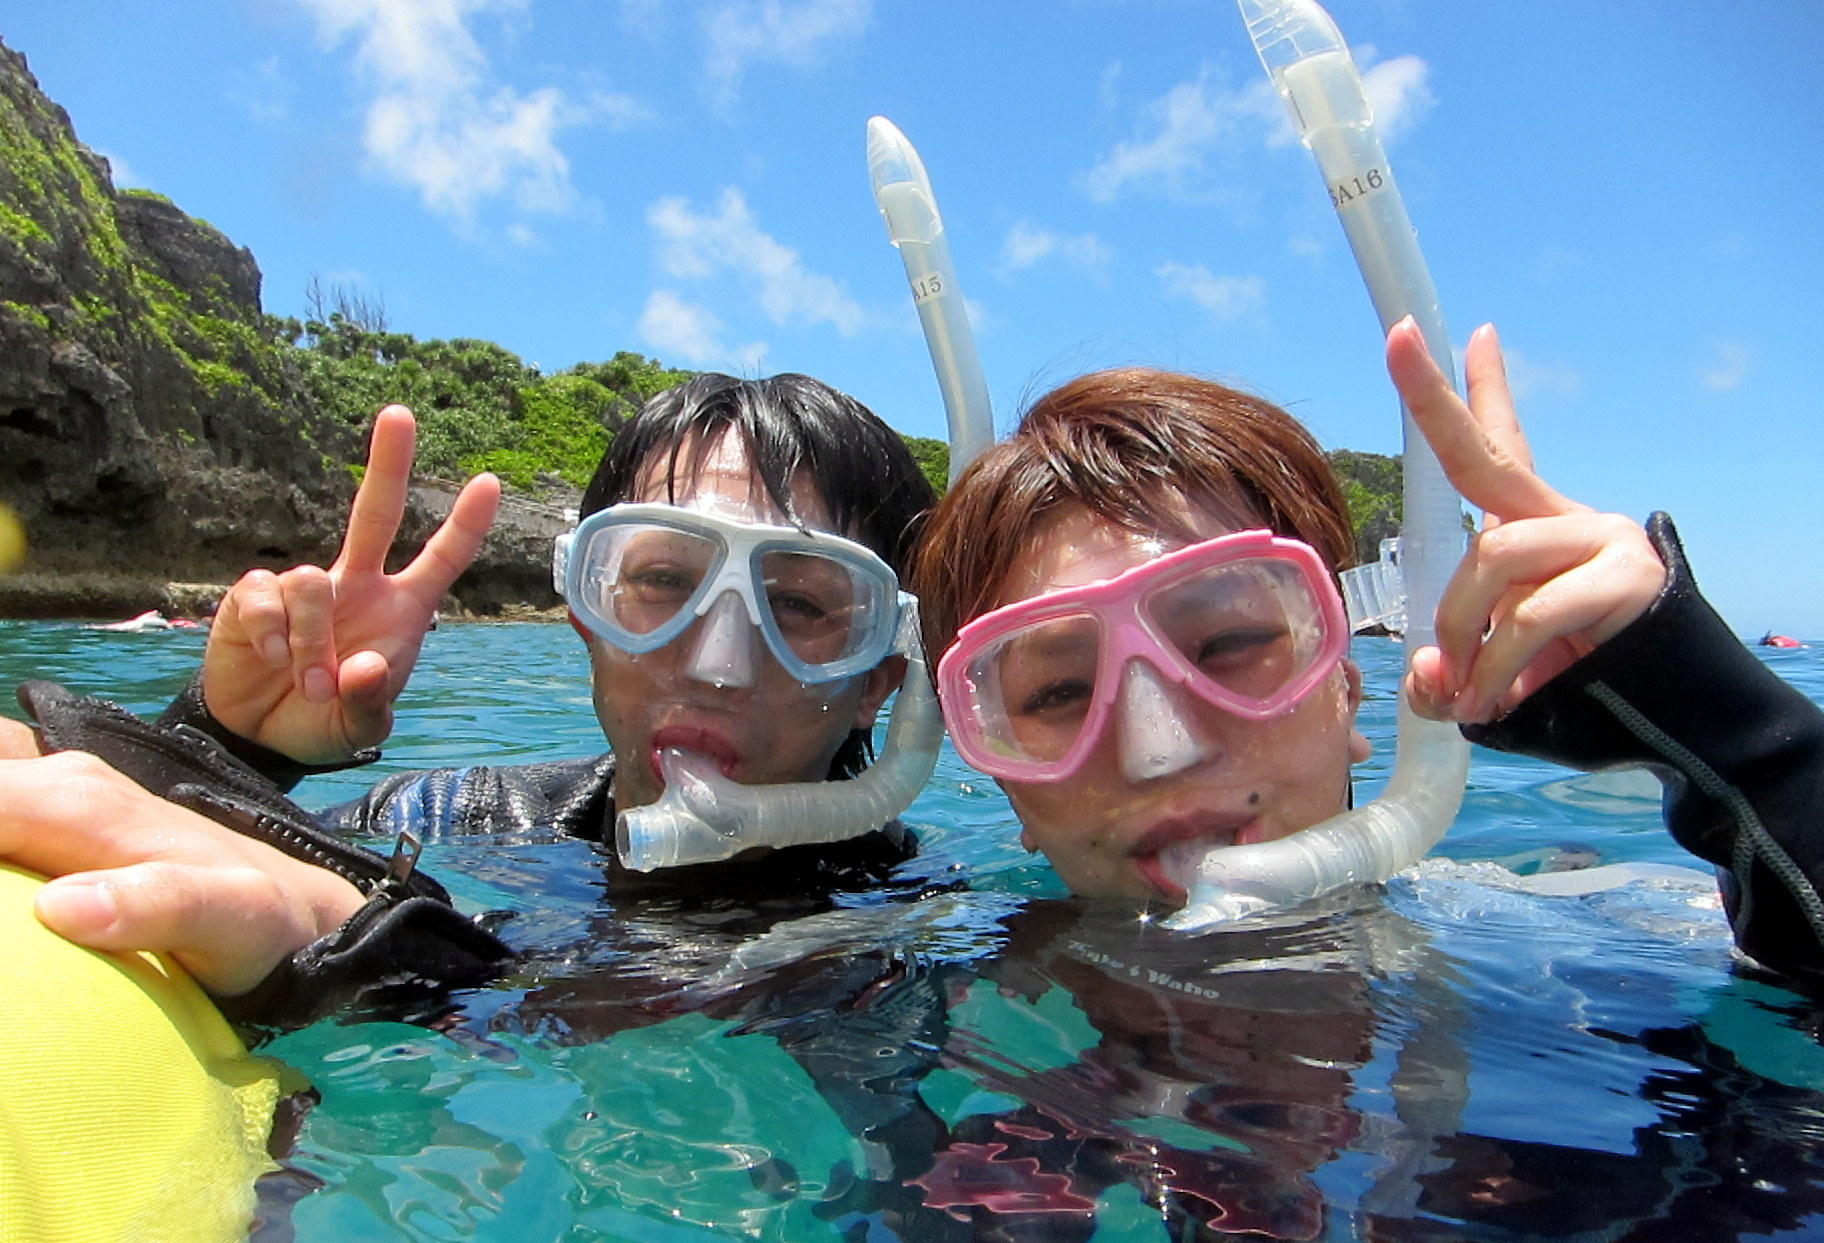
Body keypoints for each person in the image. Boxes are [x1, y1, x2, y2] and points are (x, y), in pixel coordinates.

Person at [907, 318, 1824, 983]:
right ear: (1008, 787)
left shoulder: (1576, 940)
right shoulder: (901, 1007)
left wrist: (1739, 738)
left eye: (1227, 643)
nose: (1163, 747)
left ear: (1347, 693)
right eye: (1062, 694)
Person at [3, 372, 938, 1020]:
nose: (717, 663)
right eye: (661, 581)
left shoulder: (914, 925)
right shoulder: (464, 814)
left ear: (879, 681)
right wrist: (237, 745)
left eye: (800, 603)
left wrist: (391, 956)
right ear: (585, 613)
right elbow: (146, 834)